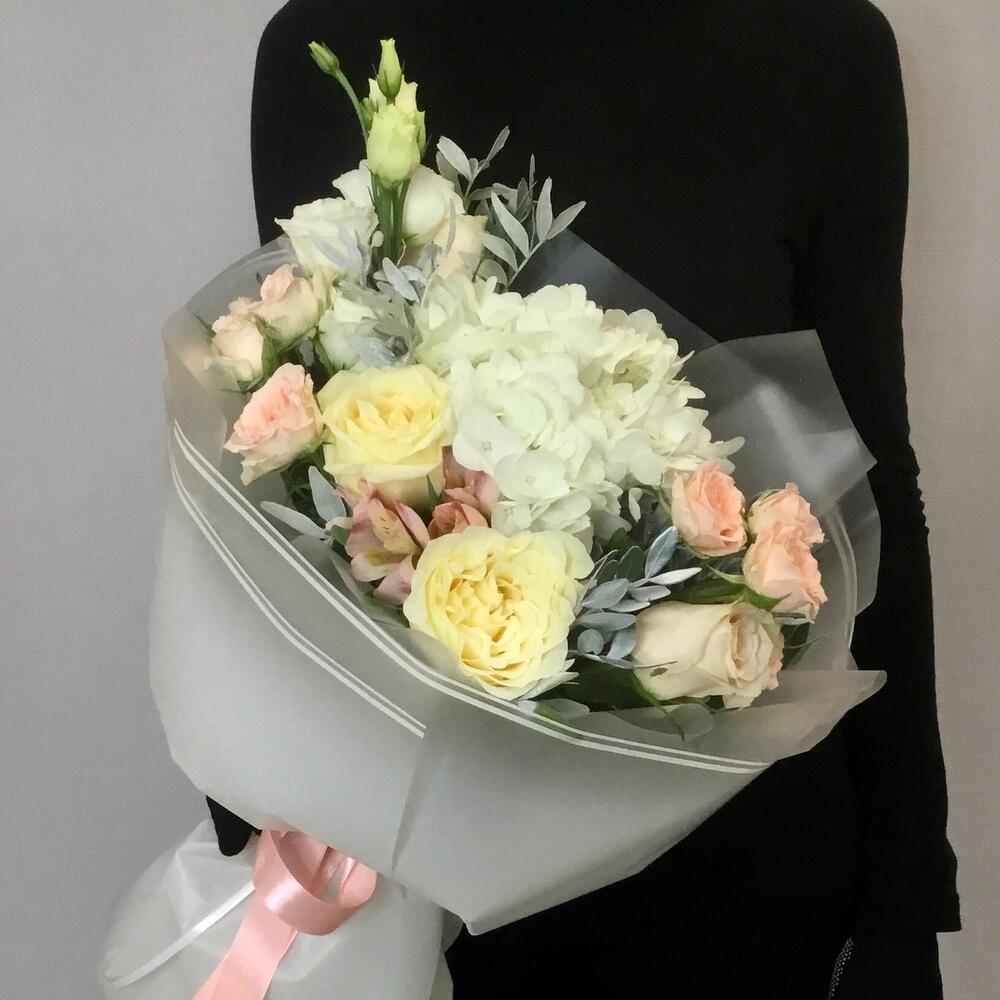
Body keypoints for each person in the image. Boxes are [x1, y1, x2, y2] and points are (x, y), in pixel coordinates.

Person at [210, 1, 960, 995]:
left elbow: (870, 477)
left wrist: (906, 889)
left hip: (741, 853)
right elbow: (286, 439)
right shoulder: (338, 44)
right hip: (431, 862)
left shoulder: (822, 48)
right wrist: (257, 789)